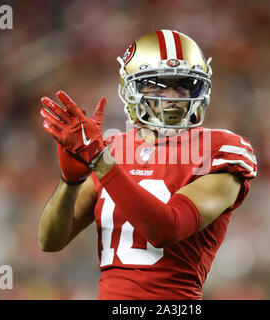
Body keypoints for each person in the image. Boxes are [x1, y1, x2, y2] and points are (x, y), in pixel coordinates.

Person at [38, 29, 257, 300]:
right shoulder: (113, 149)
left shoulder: (219, 150)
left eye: (183, 85)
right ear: (132, 88)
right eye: (158, 84)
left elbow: (166, 229)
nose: (174, 97)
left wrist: (99, 161)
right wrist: (69, 182)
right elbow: (50, 241)